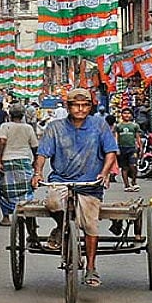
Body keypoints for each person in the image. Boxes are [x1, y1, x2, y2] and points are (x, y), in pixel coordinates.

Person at [32, 87, 118, 288]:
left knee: (90, 225)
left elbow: (111, 151)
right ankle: (62, 228)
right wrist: (37, 173)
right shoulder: (55, 127)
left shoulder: (99, 125)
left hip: (90, 184)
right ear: (68, 107)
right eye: (76, 105)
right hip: (61, 179)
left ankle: (91, 268)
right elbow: (43, 153)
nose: (80, 109)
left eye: (85, 105)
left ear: (90, 106)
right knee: (52, 203)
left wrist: (104, 173)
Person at [0, 104, 39, 226]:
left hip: (8, 161)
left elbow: (1, 142)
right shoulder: (28, 128)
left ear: (9, 115)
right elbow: (35, 147)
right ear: (23, 115)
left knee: (5, 191)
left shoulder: (5, 126)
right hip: (24, 161)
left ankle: (5, 218)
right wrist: (35, 161)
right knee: (26, 190)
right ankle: (31, 221)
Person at [114, 107, 142, 192]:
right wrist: (116, 148)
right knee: (124, 168)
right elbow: (116, 137)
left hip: (132, 149)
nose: (127, 115)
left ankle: (134, 181)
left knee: (133, 166)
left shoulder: (135, 125)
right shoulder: (118, 126)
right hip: (122, 149)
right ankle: (126, 185)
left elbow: (138, 138)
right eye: (125, 113)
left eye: (128, 113)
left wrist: (140, 148)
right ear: (121, 115)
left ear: (131, 115)